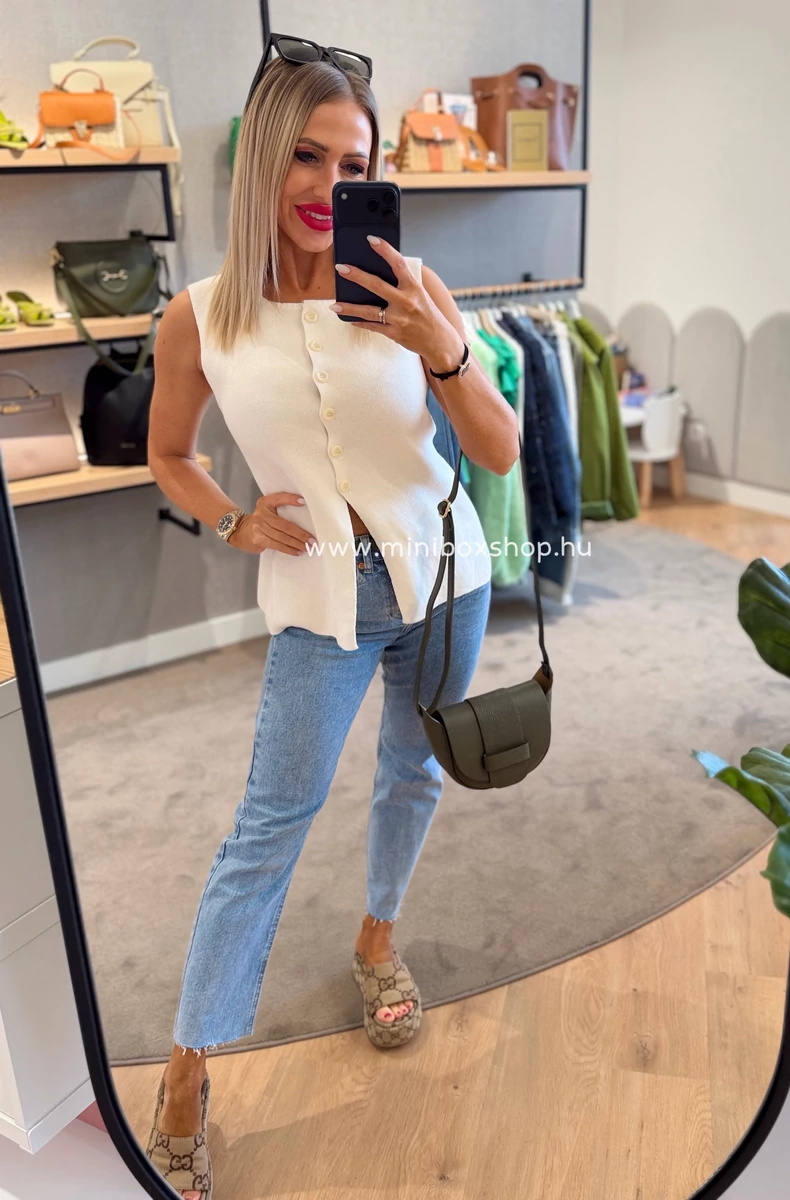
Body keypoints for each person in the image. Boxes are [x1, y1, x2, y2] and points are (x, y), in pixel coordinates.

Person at [143, 42, 519, 1200]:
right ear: (261, 159)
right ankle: (187, 1068)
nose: (327, 185)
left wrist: (442, 348)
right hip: (318, 597)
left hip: (446, 576)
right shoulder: (198, 319)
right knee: (268, 825)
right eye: (305, 157)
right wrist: (230, 520)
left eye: (353, 164)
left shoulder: (411, 287)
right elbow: (168, 455)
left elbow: (501, 448)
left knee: (415, 773)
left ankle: (376, 940)